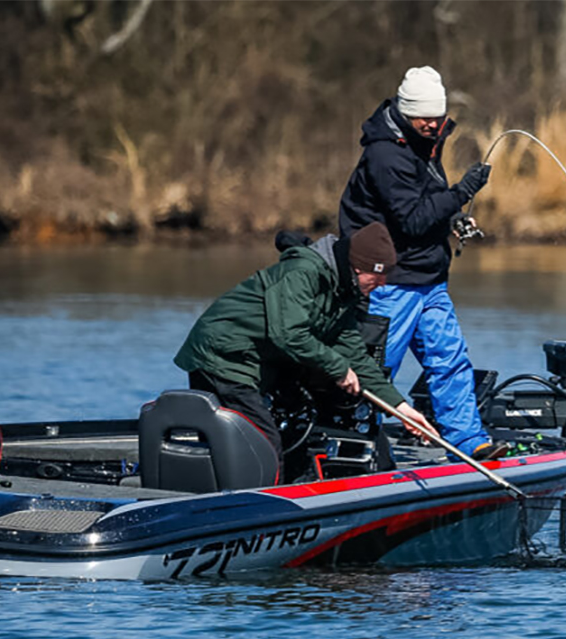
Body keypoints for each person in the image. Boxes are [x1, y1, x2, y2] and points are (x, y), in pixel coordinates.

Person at [338, 65, 505, 460]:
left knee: (450, 360)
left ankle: (468, 441)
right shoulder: (384, 155)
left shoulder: (425, 141)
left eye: (438, 116)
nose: (433, 124)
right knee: (375, 372)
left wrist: (452, 217)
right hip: (389, 282)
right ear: (406, 112)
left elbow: (425, 202)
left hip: (429, 278)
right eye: (424, 117)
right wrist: (462, 191)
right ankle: (351, 445)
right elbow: (411, 219)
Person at [173, 222, 437, 458]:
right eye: (378, 278)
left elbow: (356, 356)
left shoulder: (343, 294)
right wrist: (338, 367)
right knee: (263, 440)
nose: (382, 286)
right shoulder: (302, 272)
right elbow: (289, 334)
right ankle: (256, 503)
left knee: (295, 428)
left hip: (260, 361)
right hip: (223, 355)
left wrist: (402, 409)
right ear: (359, 268)